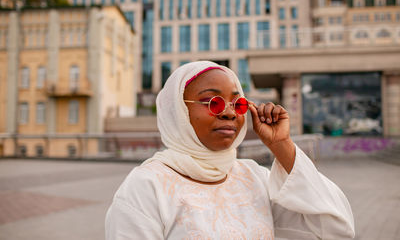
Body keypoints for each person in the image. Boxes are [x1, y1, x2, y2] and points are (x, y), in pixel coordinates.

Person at [105, 61, 355, 239]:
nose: (228, 112)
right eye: (211, 102)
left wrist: (282, 146)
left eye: (238, 103)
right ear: (178, 111)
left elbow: (334, 229)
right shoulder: (147, 186)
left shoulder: (253, 177)